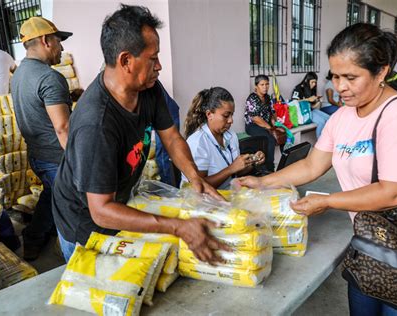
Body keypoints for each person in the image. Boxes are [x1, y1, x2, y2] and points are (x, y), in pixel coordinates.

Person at [237, 23, 397, 315]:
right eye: (336, 76)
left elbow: (394, 192)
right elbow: (312, 164)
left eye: (351, 77)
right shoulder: (342, 117)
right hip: (370, 246)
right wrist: (262, 183)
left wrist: (328, 202)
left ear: (381, 72)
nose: (340, 86)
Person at [52, 5, 228, 263]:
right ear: (126, 61)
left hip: (117, 203)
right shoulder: (96, 124)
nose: (159, 66)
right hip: (84, 221)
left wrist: (193, 176)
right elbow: (101, 211)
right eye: (153, 57)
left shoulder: (148, 88)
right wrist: (178, 226)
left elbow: (171, 137)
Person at [11, 17, 72, 261]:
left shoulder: (19, 73)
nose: (62, 48)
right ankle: (74, 263)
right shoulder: (49, 78)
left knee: (51, 196)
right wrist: (76, 162)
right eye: (59, 41)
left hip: (37, 154)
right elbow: (63, 127)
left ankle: (33, 238)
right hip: (57, 157)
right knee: (69, 211)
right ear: (46, 41)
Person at [183, 87, 265, 189]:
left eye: (232, 115)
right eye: (226, 116)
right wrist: (230, 169)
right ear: (209, 114)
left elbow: (236, 171)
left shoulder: (230, 136)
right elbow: (198, 186)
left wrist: (253, 162)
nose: (231, 120)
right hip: (204, 201)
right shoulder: (198, 142)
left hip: (229, 194)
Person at [244, 75, 280, 171]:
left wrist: (275, 125)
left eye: (267, 84)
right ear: (256, 86)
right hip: (253, 126)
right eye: (262, 84)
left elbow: (272, 113)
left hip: (266, 125)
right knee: (269, 139)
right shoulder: (252, 98)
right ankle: (269, 168)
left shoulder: (268, 98)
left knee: (281, 135)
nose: (265, 87)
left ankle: (282, 164)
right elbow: (255, 118)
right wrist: (269, 128)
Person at [154, 82, 180, 186]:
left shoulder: (147, 82)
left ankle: (167, 188)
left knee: (163, 154)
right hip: (162, 113)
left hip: (169, 115)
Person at [291, 72, 330, 138]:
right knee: (321, 122)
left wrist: (318, 101)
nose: (314, 84)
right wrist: (307, 99)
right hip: (302, 113)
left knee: (329, 118)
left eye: (315, 82)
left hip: (310, 111)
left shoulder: (311, 89)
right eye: (312, 82)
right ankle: (320, 143)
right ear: (306, 80)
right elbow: (293, 102)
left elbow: (312, 106)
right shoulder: (299, 88)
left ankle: (327, 139)